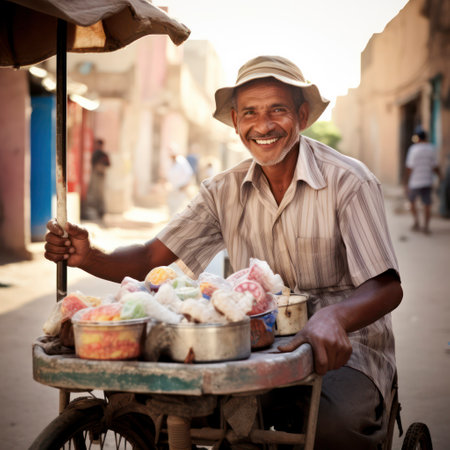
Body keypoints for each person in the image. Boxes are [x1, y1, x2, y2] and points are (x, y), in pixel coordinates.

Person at [44, 55, 403, 449]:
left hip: (344, 349)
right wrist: (90, 255)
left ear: (302, 115)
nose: (263, 125)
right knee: (159, 407)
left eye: (277, 110)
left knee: (335, 428)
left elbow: (386, 287)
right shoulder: (223, 190)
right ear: (235, 122)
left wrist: (333, 316)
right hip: (252, 345)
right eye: (250, 112)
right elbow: (152, 258)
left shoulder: (349, 181)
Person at [403, 128, 440, 234]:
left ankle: (416, 221)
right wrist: (440, 176)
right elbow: (435, 166)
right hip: (427, 181)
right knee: (427, 204)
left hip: (415, 181)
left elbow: (409, 167)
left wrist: (405, 181)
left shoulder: (413, 149)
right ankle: (426, 226)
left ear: (417, 138)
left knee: (411, 202)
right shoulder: (431, 149)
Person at [84, 138, 111, 220]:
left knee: (100, 194)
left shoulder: (103, 154)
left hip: (101, 176)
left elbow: (108, 164)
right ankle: (95, 211)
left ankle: (101, 211)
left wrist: (101, 165)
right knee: (93, 193)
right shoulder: (95, 153)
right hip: (95, 175)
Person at [166, 149, 194, 216]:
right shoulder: (172, 162)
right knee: (172, 208)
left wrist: (185, 186)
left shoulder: (182, 161)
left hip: (181, 188)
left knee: (180, 209)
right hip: (174, 188)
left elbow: (189, 174)